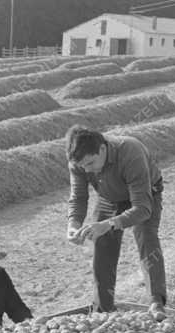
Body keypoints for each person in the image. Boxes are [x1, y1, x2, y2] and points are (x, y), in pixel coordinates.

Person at [64, 126, 166, 320]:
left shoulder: (130, 152)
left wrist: (110, 224)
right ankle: (103, 308)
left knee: (147, 239)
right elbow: (78, 197)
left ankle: (156, 303)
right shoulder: (79, 161)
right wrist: (73, 224)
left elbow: (142, 209)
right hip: (109, 196)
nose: (87, 170)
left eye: (91, 163)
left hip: (144, 194)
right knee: (102, 245)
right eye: (82, 166)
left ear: (102, 149)